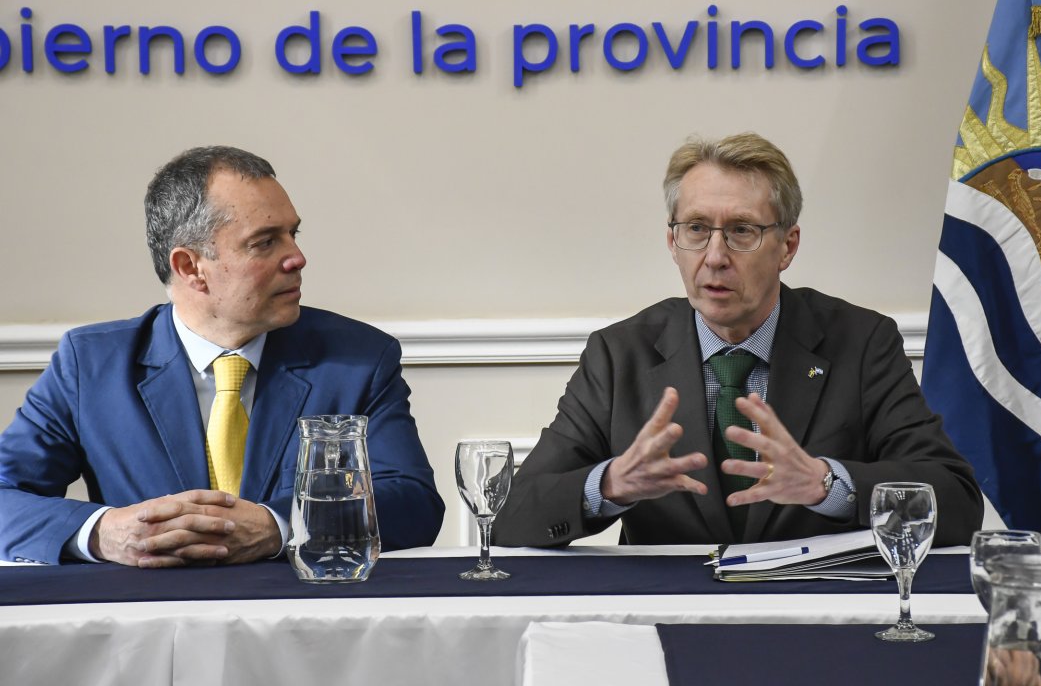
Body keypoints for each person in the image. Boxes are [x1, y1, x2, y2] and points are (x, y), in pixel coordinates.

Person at [494, 132, 982, 547]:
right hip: (667, 614)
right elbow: (509, 516)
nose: (715, 256)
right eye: (696, 229)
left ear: (787, 246)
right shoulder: (619, 355)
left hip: (813, 612)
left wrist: (827, 485)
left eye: (741, 231)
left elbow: (956, 502)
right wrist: (609, 485)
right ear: (672, 242)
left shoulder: (861, 343)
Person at [0, 146, 444, 566]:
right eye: (265, 242)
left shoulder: (358, 358)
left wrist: (279, 526)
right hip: (147, 613)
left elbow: (413, 502)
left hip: (302, 610)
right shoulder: (92, 364)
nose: (297, 258)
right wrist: (103, 533)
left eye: (292, 234)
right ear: (190, 267)